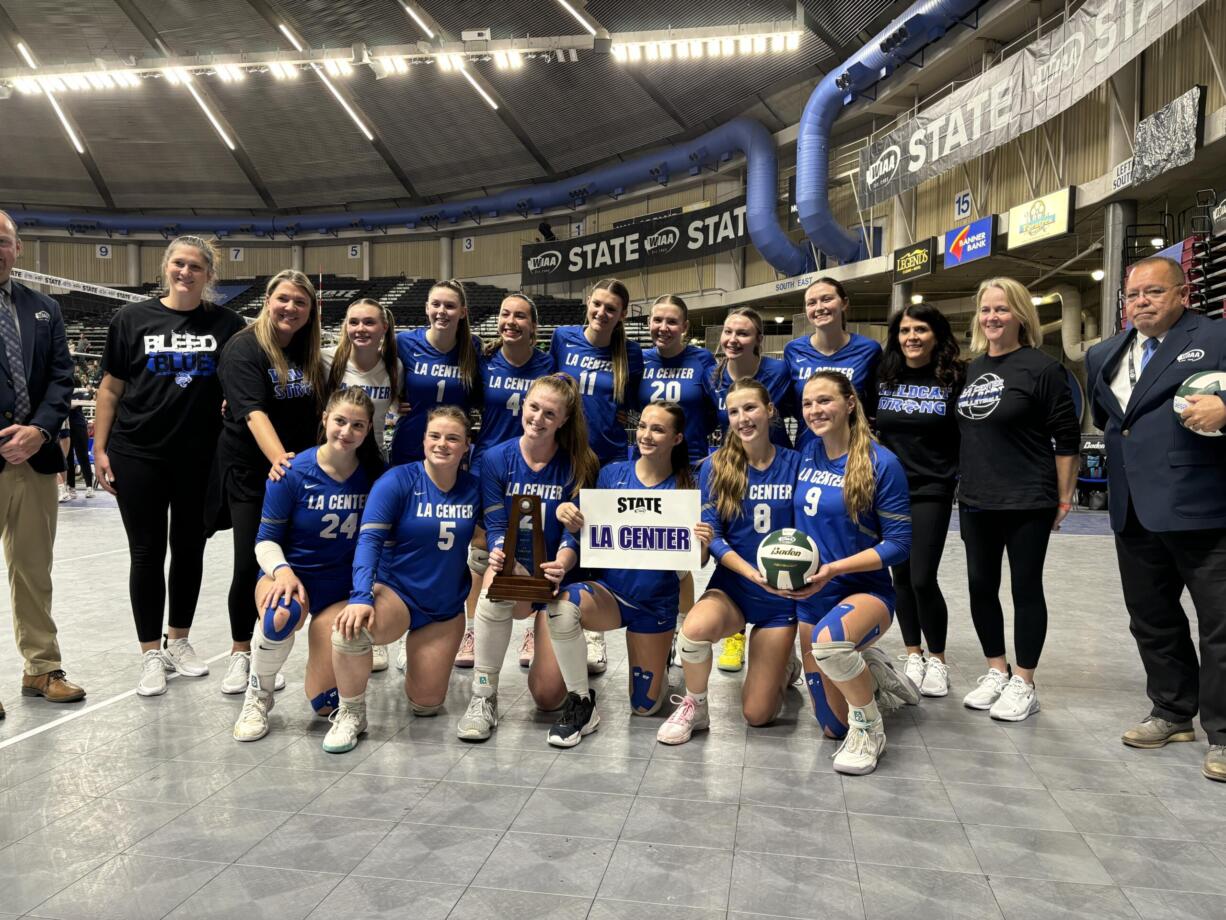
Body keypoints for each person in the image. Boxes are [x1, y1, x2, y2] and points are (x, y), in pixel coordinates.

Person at [1086, 256, 1226, 782]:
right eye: (1133, 295)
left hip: (1203, 506)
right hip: (1133, 509)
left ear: (1183, 293)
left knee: (1221, 625)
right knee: (1152, 619)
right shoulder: (1104, 353)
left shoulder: (1217, 337)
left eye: (1153, 292)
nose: (1141, 302)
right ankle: (1171, 711)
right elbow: (1114, 422)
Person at [93, 236, 246, 696]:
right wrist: (100, 450)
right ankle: (149, 655)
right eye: (179, 264)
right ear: (166, 268)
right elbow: (109, 390)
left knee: (189, 550)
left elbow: (238, 385)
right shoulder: (131, 319)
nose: (186, 272)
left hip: (200, 457)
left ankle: (178, 640)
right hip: (138, 453)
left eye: (196, 266)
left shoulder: (228, 324)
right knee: (145, 553)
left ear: (208, 275)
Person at [547, 403, 710, 747]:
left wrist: (702, 542)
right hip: (612, 594)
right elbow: (582, 528)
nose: (647, 435)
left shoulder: (687, 487)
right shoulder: (611, 475)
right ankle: (581, 701)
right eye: (643, 426)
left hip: (655, 605)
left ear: (677, 438)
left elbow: (698, 559)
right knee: (562, 608)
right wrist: (568, 514)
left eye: (658, 430)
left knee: (645, 708)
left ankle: (662, 654)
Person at [956, 277, 1079, 722]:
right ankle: (996, 671)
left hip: (1028, 498)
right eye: (986, 310)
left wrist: (1064, 498)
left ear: (1021, 316)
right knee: (980, 587)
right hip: (975, 498)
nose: (992, 317)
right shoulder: (971, 369)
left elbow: (1066, 439)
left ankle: (1025, 682)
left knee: (1025, 589)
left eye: (1002, 310)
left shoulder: (1042, 369)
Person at [325, 406, 480, 753]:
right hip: (398, 594)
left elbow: (498, 531)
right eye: (435, 436)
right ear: (423, 439)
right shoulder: (397, 481)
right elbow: (369, 541)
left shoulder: (474, 488)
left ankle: (416, 656)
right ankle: (351, 713)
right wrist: (361, 596)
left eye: (453, 438)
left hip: (444, 606)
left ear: (466, 445)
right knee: (350, 629)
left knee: (427, 705)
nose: (442, 444)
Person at [657, 379, 801, 745]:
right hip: (736, 584)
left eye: (750, 408)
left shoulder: (797, 464)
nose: (742, 418)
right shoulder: (716, 466)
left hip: (781, 596)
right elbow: (715, 538)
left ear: (770, 411)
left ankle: (784, 665)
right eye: (734, 411)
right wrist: (750, 572)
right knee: (692, 631)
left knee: (757, 715)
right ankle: (696, 704)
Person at [456, 374, 599, 742]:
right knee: (493, 587)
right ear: (523, 404)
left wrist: (564, 562)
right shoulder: (495, 458)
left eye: (550, 413)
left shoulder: (579, 462)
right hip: (515, 568)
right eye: (533, 407)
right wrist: (502, 550)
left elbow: (577, 529)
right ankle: (483, 696)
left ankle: (572, 679)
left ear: (564, 420)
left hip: (557, 575)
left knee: (548, 698)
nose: (538, 418)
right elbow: (495, 518)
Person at [232, 386, 378, 741]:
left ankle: (322, 669)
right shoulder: (292, 471)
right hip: (293, 576)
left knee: (325, 706)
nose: (347, 432)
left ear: (369, 429)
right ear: (325, 419)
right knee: (279, 615)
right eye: (340, 421)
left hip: (341, 587)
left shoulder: (375, 474)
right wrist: (281, 571)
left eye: (357, 426)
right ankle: (258, 696)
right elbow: (265, 540)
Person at [792, 371, 917, 775]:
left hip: (863, 593)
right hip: (814, 594)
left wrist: (834, 569)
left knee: (830, 646)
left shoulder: (882, 463)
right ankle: (872, 671)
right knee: (831, 726)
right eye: (809, 403)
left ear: (850, 404)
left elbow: (899, 544)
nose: (815, 410)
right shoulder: (806, 453)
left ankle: (870, 730)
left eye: (825, 400)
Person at [215, 270, 325, 695]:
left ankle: (271, 649)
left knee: (292, 563)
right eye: (284, 299)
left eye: (300, 302)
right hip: (255, 472)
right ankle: (240, 653)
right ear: (267, 300)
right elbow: (254, 413)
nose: (291, 308)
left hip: (299, 474)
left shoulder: (308, 349)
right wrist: (279, 460)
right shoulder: (245, 347)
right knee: (252, 561)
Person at [0, 209, 85, 713]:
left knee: (35, 569)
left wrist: (39, 430)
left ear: (18, 248)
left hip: (33, 457)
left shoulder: (43, 308)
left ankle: (42, 668)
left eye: (3, 241)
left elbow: (61, 377)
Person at [550, 278, 644, 673]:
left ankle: (593, 631)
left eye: (611, 308)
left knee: (594, 541)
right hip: (565, 452)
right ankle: (545, 607)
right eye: (598, 304)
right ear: (587, 303)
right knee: (555, 530)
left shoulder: (630, 353)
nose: (602, 313)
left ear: (622, 315)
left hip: (604, 459)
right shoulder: (562, 338)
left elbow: (633, 402)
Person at [458, 293, 554, 671]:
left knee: (535, 542)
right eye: (505, 314)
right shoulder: (483, 361)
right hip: (489, 463)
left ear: (533, 325)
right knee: (481, 544)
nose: (511, 321)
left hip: (535, 463)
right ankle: (470, 627)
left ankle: (531, 623)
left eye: (520, 316)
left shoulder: (550, 364)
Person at [874, 303, 964, 697]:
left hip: (933, 489)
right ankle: (913, 652)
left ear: (936, 335)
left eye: (921, 330)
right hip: (889, 490)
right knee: (901, 578)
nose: (911, 337)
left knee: (923, 577)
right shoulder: (883, 376)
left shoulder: (954, 377)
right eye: (905, 330)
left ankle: (938, 660)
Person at [702, 306, 791, 673]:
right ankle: (735, 631)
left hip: (776, 461)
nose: (733, 339)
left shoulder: (779, 372)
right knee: (736, 537)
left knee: (778, 544)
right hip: (734, 464)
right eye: (728, 332)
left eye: (743, 333)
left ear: (758, 340)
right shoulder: (712, 376)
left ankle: (786, 638)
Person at [323, 297, 402, 673]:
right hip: (336, 463)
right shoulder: (327, 362)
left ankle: (376, 628)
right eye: (354, 322)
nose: (361, 329)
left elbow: (403, 411)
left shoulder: (394, 367)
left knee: (376, 543)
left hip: (373, 465)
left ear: (384, 328)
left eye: (369, 322)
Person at [638, 294, 715, 673]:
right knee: (650, 552)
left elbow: (718, 412)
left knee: (681, 558)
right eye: (657, 320)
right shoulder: (639, 360)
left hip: (689, 468)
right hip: (646, 468)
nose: (662, 328)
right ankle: (659, 626)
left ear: (686, 327)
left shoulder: (702, 361)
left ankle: (685, 627)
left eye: (671, 321)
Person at [389, 279, 480, 466]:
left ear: (463, 312)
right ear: (426, 308)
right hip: (409, 446)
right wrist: (391, 402)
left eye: (450, 306)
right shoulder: (404, 342)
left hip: (451, 453)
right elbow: (376, 375)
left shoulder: (474, 347)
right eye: (436, 304)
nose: (441, 311)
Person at [784, 278, 882, 448]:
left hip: (853, 451)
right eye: (811, 303)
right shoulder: (793, 350)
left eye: (827, 299)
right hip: (807, 450)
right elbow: (793, 404)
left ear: (844, 303)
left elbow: (874, 406)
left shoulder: (869, 350)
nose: (819, 308)